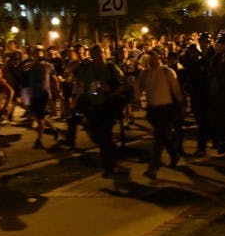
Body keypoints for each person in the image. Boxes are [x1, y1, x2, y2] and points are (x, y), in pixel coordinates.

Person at [73, 44, 127, 178]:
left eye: (99, 53)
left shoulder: (110, 66)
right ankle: (111, 159)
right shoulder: (87, 68)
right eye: (94, 54)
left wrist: (110, 87)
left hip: (107, 106)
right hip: (92, 106)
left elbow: (122, 81)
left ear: (103, 53)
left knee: (105, 136)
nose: (97, 56)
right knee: (99, 136)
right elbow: (85, 86)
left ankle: (109, 166)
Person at [137, 50, 183, 181]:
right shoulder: (144, 74)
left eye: (154, 58)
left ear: (159, 58)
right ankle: (174, 154)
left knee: (158, 138)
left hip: (165, 109)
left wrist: (181, 107)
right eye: (149, 59)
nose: (151, 61)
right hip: (153, 110)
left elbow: (176, 91)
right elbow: (138, 89)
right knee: (162, 136)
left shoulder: (167, 72)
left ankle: (154, 166)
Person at [23, 46, 60, 149]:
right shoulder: (30, 65)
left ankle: (39, 140)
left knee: (39, 119)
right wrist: (35, 62)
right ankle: (54, 129)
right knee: (39, 116)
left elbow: (54, 79)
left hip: (44, 94)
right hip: (34, 94)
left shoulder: (48, 65)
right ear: (33, 55)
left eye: (40, 53)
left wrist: (57, 92)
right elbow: (23, 68)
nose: (38, 55)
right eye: (36, 53)